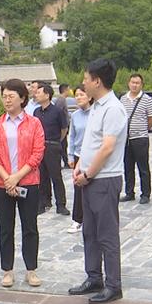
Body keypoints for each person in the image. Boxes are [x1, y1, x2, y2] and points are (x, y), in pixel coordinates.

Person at [68, 58, 128, 304]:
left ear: (97, 81)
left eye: (86, 78)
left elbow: (107, 148)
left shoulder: (113, 108)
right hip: (89, 178)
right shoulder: (95, 106)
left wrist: (88, 174)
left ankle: (114, 285)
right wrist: (79, 165)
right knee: (89, 232)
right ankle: (94, 277)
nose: (83, 82)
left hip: (103, 180)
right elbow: (90, 143)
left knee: (106, 235)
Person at [0, 78, 46, 289]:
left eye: (11, 96)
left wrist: (17, 177)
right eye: (4, 96)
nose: (7, 100)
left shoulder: (34, 123)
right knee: (6, 227)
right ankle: (7, 270)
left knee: (30, 227)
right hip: (2, 184)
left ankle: (31, 270)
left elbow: (37, 154)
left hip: (28, 182)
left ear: (23, 98)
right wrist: (7, 178)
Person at [119, 74, 152, 204]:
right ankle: (129, 192)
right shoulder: (123, 99)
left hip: (140, 138)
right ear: (129, 83)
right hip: (126, 139)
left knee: (143, 167)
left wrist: (143, 129)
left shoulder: (147, 99)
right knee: (128, 167)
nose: (135, 85)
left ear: (141, 85)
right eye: (133, 82)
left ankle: (145, 194)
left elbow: (151, 119)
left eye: (138, 83)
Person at [34, 83, 70, 215]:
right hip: (39, 146)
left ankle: (61, 204)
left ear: (47, 95)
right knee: (42, 176)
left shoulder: (57, 111)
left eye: (39, 93)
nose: (36, 95)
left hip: (52, 146)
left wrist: (56, 141)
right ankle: (44, 202)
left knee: (56, 176)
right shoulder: (36, 112)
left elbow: (64, 128)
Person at [67, 84, 91, 233]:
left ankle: (90, 218)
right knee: (78, 188)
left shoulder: (95, 113)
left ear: (89, 96)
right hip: (78, 155)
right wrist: (70, 155)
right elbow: (72, 136)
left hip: (92, 156)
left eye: (82, 94)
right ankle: (77, 219)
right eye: (76, 95)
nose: (79, 97)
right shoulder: (75, 116)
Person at [55, 83, 71, 167]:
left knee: (64, 145)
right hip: (62, 127)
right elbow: (59, 114)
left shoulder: (62, 99)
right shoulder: (61, 100)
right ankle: (65, 162)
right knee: (63, 145)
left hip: (64, 126)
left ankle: (65, 162)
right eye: (68, 89)